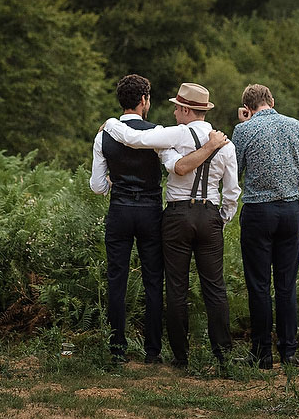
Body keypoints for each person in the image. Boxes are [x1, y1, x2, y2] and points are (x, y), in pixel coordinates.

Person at [102, 82, 240, 369]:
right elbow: (232, 191)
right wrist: (221, 218)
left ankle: (181, 357)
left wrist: (111, 124)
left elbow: (134, 139)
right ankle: (223, 356)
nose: (175, 112)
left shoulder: (176, 134)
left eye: (178, 107)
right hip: (210, 214)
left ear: (187, 110)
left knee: (176, 287)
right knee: (215, 287)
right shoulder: (226, 144)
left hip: (177, 215)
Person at [231, 83, 299, 369]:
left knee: (258, 285)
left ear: (247, 107)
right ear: (272, 101)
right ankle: (288, 352)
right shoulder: (298, 127)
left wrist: (244, 125)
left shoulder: (243, 131)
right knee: (286, 285)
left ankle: (262, 354)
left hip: (258, 212)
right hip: (290, 211)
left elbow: (237, 169)